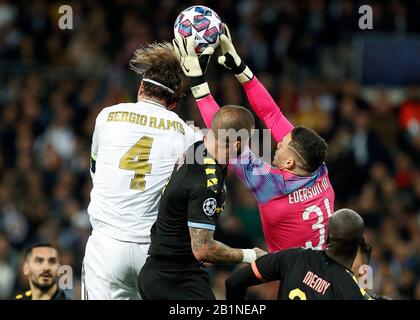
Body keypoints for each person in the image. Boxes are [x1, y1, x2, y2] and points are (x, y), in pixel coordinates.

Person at [173, 25, 334, 253]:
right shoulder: (318, 169)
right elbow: (272, 114)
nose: (277, 142)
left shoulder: (273, 185)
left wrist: (197, 80)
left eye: (282, 146)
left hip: (296, 281)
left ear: (290, 163)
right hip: (324, 272)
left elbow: (225, 136)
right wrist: (240, 67)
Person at [82, 42, 205, 300]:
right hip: (153, 251)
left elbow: (95, 170)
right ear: (173, 103)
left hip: (105, 245)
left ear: (140, 88)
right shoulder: (188, 135)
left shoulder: (107, 116)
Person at [138, 105, 267, 300]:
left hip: (170, 271)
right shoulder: (205, 184)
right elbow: (203, 249)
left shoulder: (200, 147)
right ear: (238, 143)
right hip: (173, 279)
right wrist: (251, 256)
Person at [225, 209, 373, 300]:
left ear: (327, 235)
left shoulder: (292, 257)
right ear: (358, 244)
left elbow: (233, 282)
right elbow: (364, 293)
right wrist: (365, 266)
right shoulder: (349, 288)